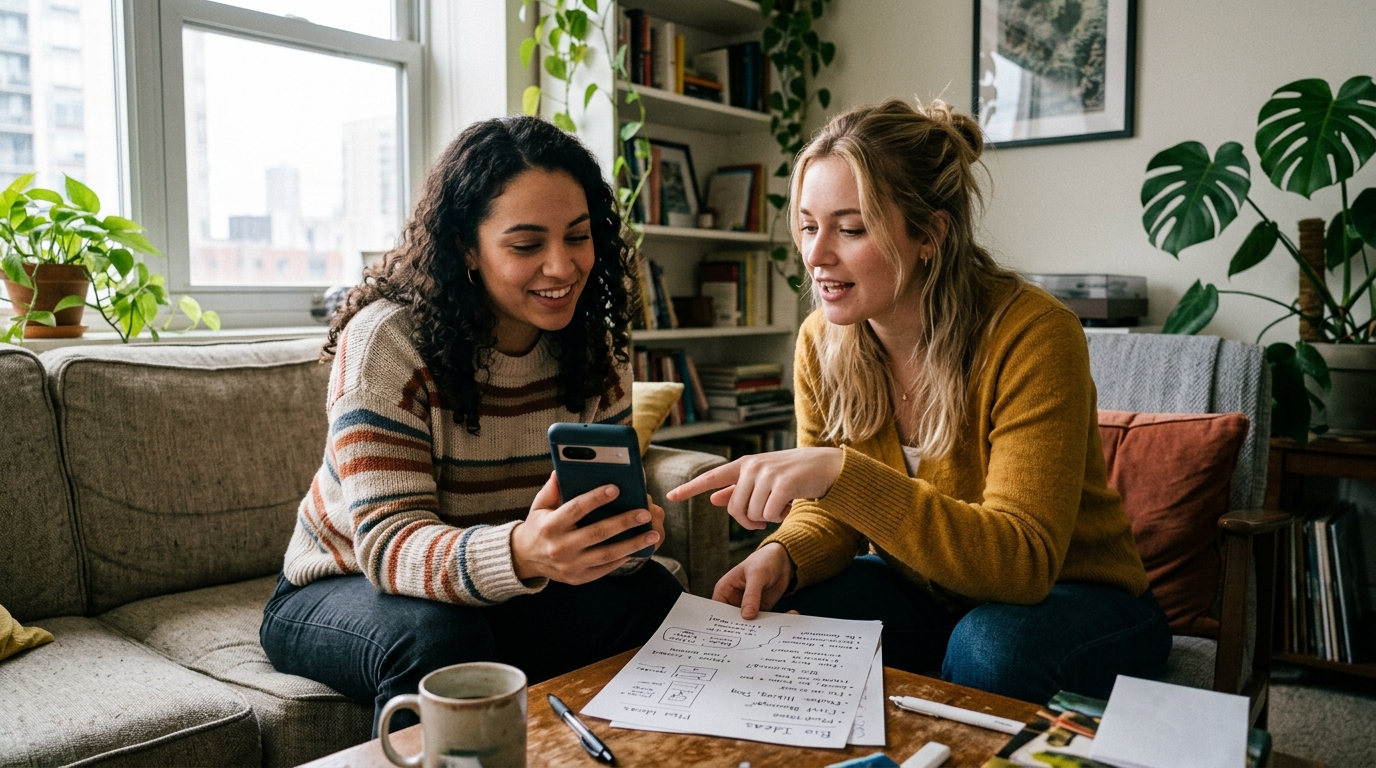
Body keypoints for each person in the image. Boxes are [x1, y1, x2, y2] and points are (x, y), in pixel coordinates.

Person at [668, 99, 1171, 704]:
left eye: (850, 229)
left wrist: (839, 472)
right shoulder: (821, 342)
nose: (816, 254)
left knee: (990, 648)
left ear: (930, 235)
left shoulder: (1033, 334)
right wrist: (782, 554)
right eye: (807, 225)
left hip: (1082, 596)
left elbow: (1023, 563)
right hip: (931, 590)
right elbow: (833, 512)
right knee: (790, 614)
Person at [261, 116, 683, 734]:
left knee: (651, 596)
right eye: (526, 244)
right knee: (441, 640)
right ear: (466, 246)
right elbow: (388, 547)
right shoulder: (388, 343)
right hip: (337, 584)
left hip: (502, 586)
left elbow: (594, 538)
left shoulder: (596, 349)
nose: (562, 267)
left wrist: (620, 542)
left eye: (579, 236)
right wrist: (526, 551)